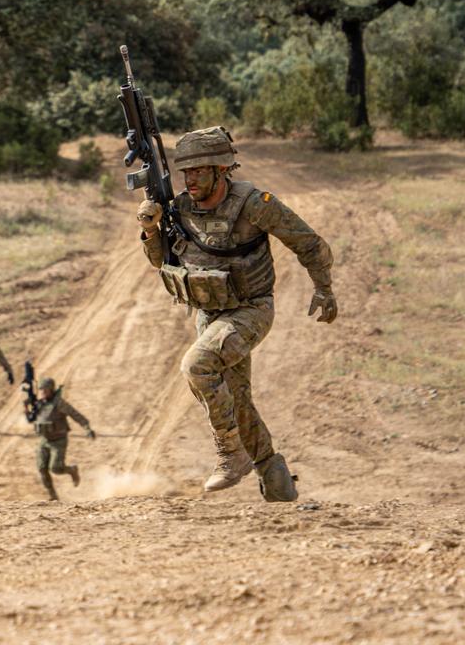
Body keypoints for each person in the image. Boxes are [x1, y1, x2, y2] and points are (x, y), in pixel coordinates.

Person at [135, 126, 335, 502]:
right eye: (186, 172)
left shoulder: (254, 203)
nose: (190, 179)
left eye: (198, 171)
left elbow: (308, 242)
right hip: (208, 314)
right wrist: (150, 230)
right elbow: (161, 261)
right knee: (236, 399)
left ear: (221, 170)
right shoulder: (179, 207)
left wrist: (323, 287)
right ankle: (276, 481)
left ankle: (231, 454)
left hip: (251, 309)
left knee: (197, 365)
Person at [27, 377, 95, 501]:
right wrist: (26, 407)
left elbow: (75, 414)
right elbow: (31, 418)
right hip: (44, 440)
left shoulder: (59, 403)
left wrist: (87, 428)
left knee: (55, 468)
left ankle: (72, 470)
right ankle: (53, 496)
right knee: (42, 468)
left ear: (51, 390)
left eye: (45, 390)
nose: (42, 393)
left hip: (58, 441)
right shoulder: (39, 404)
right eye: (41, 390)